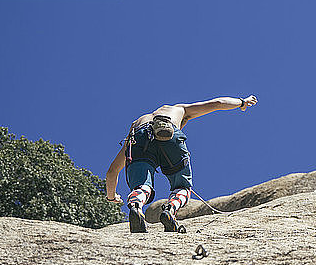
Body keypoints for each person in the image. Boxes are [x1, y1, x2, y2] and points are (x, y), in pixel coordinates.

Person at [106, 95, 258, 233]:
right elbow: (217, 103)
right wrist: (242, 102)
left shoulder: (136, 123)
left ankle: (136, 205)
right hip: (170, 134)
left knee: (141, 185)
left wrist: (111, 197)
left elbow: (112, 171)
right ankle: (170, 210)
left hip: (139, 138)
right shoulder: (179, 110)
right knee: (182, 187)